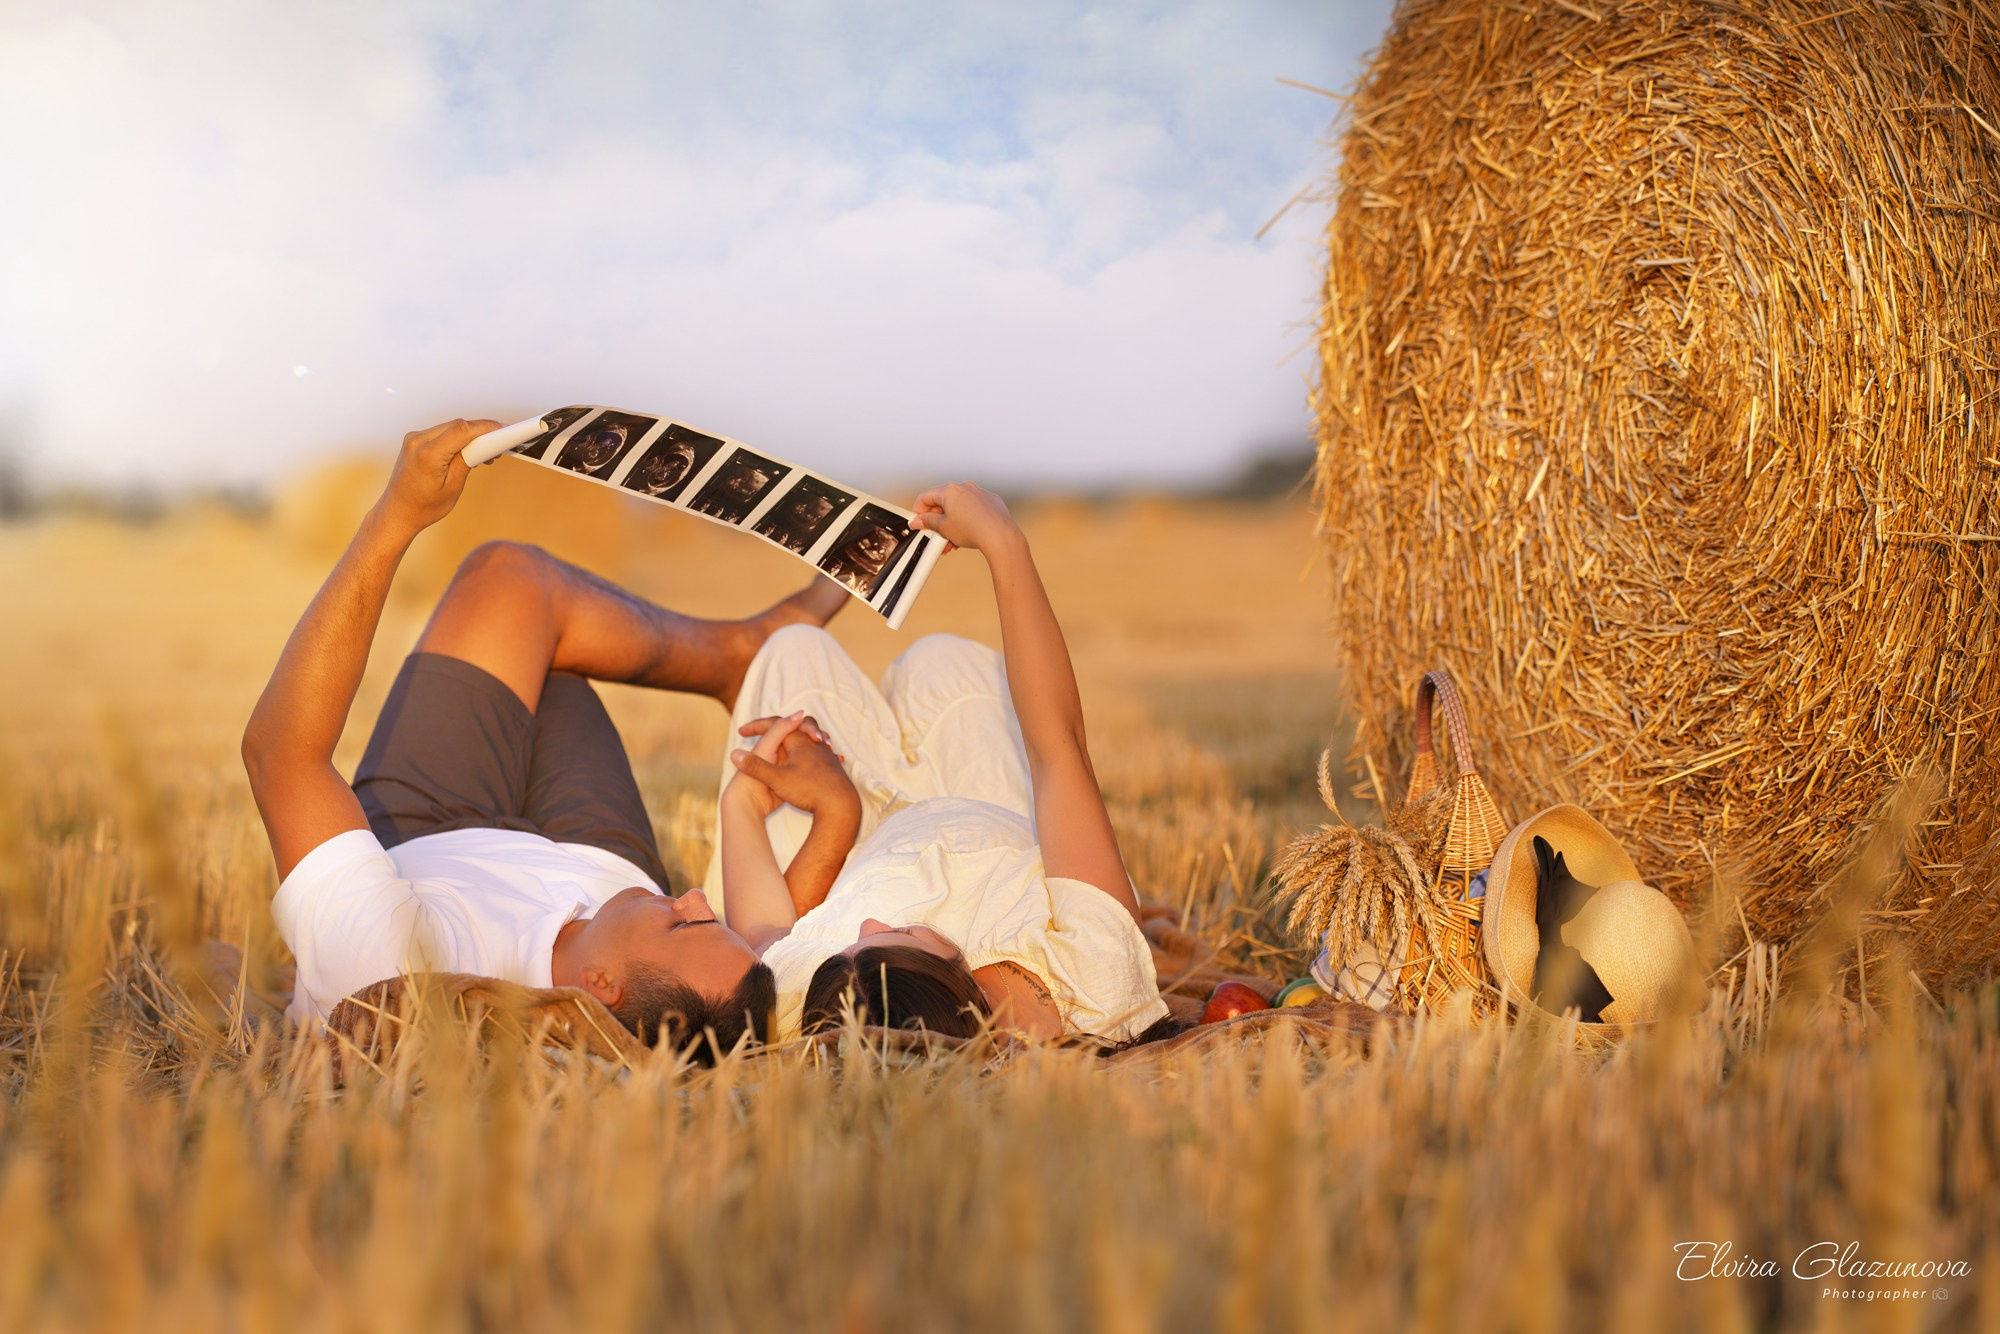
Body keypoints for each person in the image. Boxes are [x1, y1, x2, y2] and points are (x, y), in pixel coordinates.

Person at [242, 418, 849, 1059]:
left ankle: (733, 654)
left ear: (600, 986)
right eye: (711, 920)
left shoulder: (385, 965)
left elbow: (279, 754)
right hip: (599, 868)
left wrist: (394, 519)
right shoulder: (705, 983)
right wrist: (834, 811)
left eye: (682, 922)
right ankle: (732, 654)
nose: (698, 896)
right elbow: (767, 940)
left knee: (506, 576)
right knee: (531, 625)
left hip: (424, 837)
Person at [713, 482, 1171, 1044]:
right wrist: (1003, 544)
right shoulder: (1094, 984)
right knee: (943, 662)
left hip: (859, 843)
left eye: (852, 941)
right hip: (993, 814)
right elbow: (1058, 749)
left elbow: (766, 935)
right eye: (900, 932)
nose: (867, 925)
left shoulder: (829, 995)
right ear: (967, 992)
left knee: (792, 649)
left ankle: (788, 637)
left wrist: (748, 806)